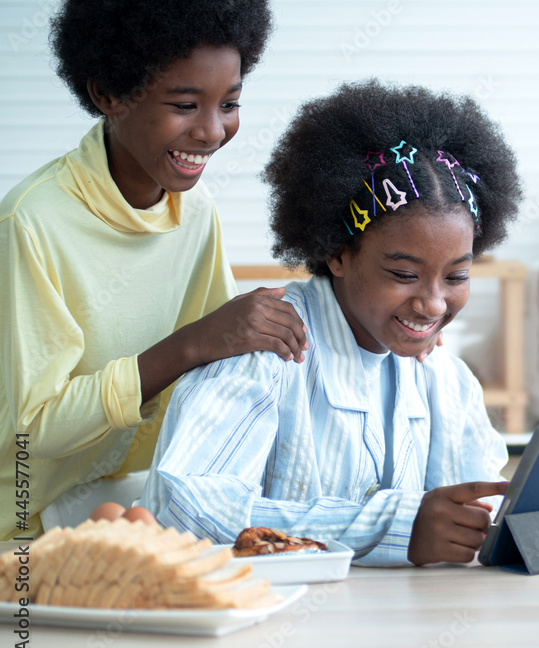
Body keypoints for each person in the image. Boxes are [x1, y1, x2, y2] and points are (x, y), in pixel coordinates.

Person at [141, 79, 523, 566]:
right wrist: (392, 529)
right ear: (338, 253)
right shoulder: (266, 346)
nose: (431, 304)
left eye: (457, 275)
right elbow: (181, 507)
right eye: (404, 274)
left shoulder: (443, 375)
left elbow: (479, 507)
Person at [0, 0, 310, 540]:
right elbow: (30, 429)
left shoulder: (196, 210)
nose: (212, 131)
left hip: (136, 509)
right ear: (108, 95)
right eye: (186, 104)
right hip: (24, 534)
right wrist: (186, 346)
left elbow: (221, 367)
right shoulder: (31, 223)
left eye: (230, 103)